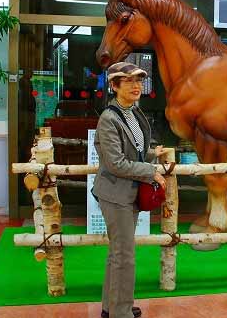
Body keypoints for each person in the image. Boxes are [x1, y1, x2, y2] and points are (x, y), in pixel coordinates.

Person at [92, 61, 166, 318]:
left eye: (139, 80)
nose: (136, 86)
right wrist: (150, 171)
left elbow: (135, 151)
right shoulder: (109, 118)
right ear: (114, 86)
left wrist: (152, 154)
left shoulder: (133, 112)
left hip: (128, 193)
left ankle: (111, 308)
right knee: (124, 256)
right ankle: (120, 312)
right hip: (115, 196)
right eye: (129, 81)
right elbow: (116, 163)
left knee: (118, 254)